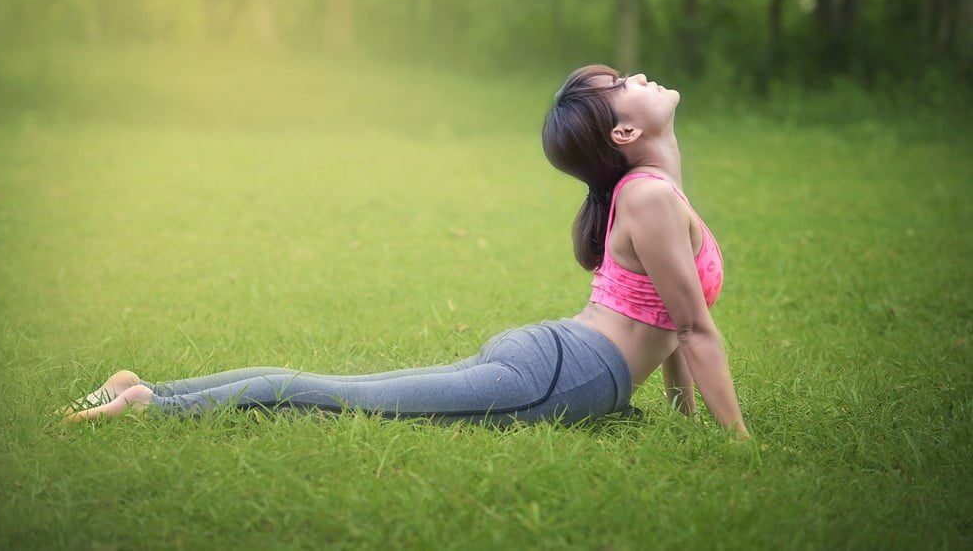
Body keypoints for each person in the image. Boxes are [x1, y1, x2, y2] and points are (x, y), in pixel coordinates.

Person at [62, 64, 749, 439]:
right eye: (625, 81)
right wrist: (737, 446)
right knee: (346, 399)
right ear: (626, 129)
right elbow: (690, 325)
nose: (640, 74)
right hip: (562, 371)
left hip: (563, 360)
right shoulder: (651, 197)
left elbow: (669, 320)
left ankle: (137, 387)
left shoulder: (656, 190)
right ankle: (154, 403)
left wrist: (685, 421)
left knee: (352, 394)